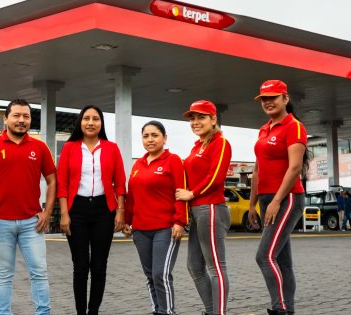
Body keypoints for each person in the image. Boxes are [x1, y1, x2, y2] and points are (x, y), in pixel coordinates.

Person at [0, 99, 58, 315]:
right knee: (4, 274)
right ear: (6, 118)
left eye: (26, 117)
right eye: (16, 115)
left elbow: (53, 181)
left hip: (32, 223)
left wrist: (47, 212)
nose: (21, 120)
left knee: (39, 272)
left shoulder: (39, 147)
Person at [57, 105, 127, 315]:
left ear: (101, 123)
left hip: (103, 210)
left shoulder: (112, 148)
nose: (90, 122)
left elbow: (120, 183)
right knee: (80, 267)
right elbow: (62, 183)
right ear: (80, 122)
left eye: (95, 119)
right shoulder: (70, 148)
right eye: (86, 118)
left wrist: (121, 211)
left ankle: (93, 310)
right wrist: (64, 214)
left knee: (99, 266)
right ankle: (80, 312)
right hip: (76, 210)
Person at [247, 80, 307, 315]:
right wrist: (252, 204)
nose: (268, 102)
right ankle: (287, 308)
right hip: (265, 198)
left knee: (264, 256)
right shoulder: (264, 129)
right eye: (264, 99)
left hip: (288, 198)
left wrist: (276, 201)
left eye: (273, 97)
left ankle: (280, 308)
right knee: (281, 260)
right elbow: (257, 170)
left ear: (285, 98)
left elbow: (294, 168)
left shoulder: (294, 126)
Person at [124, 120, 188, 315]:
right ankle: (157, 309)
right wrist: (127, 220)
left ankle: (167, 312)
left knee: (161, 274)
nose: (150, 139)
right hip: (141, 230)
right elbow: (131, 197)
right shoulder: (138, 164)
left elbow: (180, 192)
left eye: (155, 135)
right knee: (150, 275)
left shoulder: (173, 160)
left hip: (165, 228)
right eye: (146, 136)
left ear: (164, 138)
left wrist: (179, 222)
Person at [175, 99, 232, 315]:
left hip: (211, 208)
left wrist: (192, 193)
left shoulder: (220, 143)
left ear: (213, 119)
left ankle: (218, 312)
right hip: (198, 212)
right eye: (192, 118)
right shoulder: (197, 146)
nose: (195, 122)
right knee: (194, 266)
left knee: (216, 267)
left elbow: (215, 177)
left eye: (201, 117)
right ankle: (212, 310)